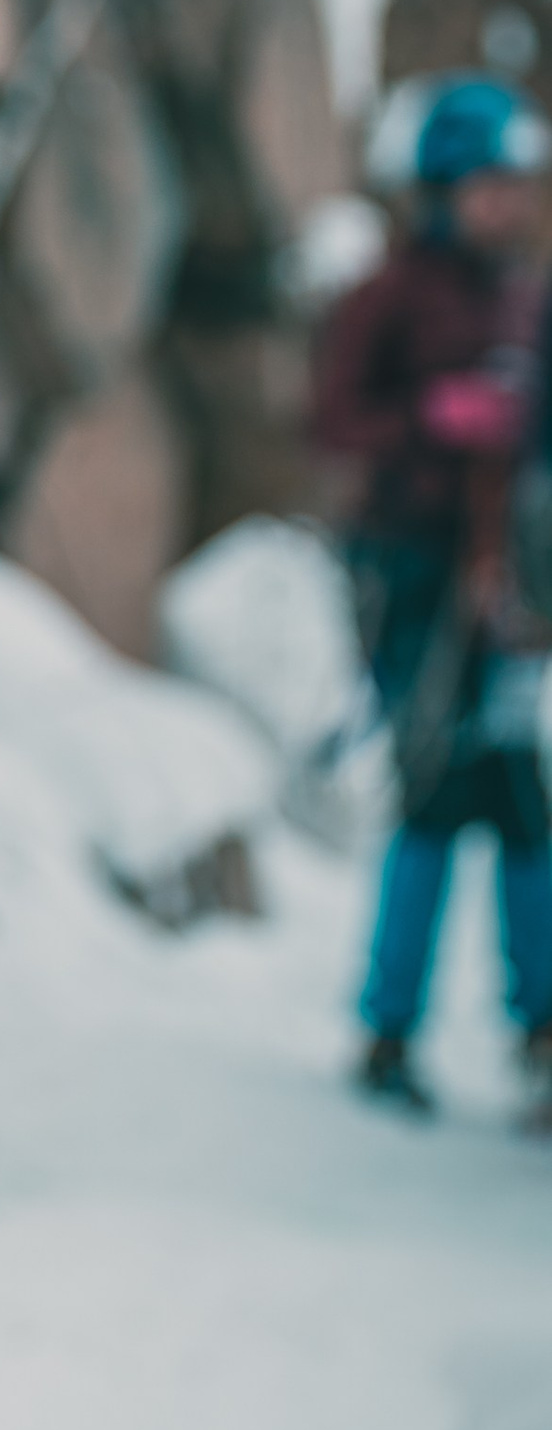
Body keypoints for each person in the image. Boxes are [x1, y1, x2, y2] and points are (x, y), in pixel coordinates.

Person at [313, 74, 552, 1115]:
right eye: (487, 182)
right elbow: (328, 418)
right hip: (406, 569)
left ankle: (535, 1031)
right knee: (433, 788)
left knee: (516, 803)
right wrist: (428, 419)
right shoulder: (389, 293)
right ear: (444, 186)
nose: (506, 200)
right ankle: (386, 1029)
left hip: (502, 577)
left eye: (515, 181)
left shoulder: (527, 295)